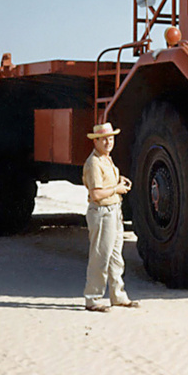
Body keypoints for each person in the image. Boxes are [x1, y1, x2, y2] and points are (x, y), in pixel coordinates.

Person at [82, 122, 139, 312]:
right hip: (102, 213)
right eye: (104, 139)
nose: (108, 142)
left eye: (111, 138)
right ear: (95, 141)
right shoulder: (94, 162)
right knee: (100, 256)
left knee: (115, 257)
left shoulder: (106, 159)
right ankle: (93, 298)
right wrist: (117, 189)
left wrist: (118, 181)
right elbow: (96, 194)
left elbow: (104, 185)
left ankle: (118, 296)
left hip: (113, 212)